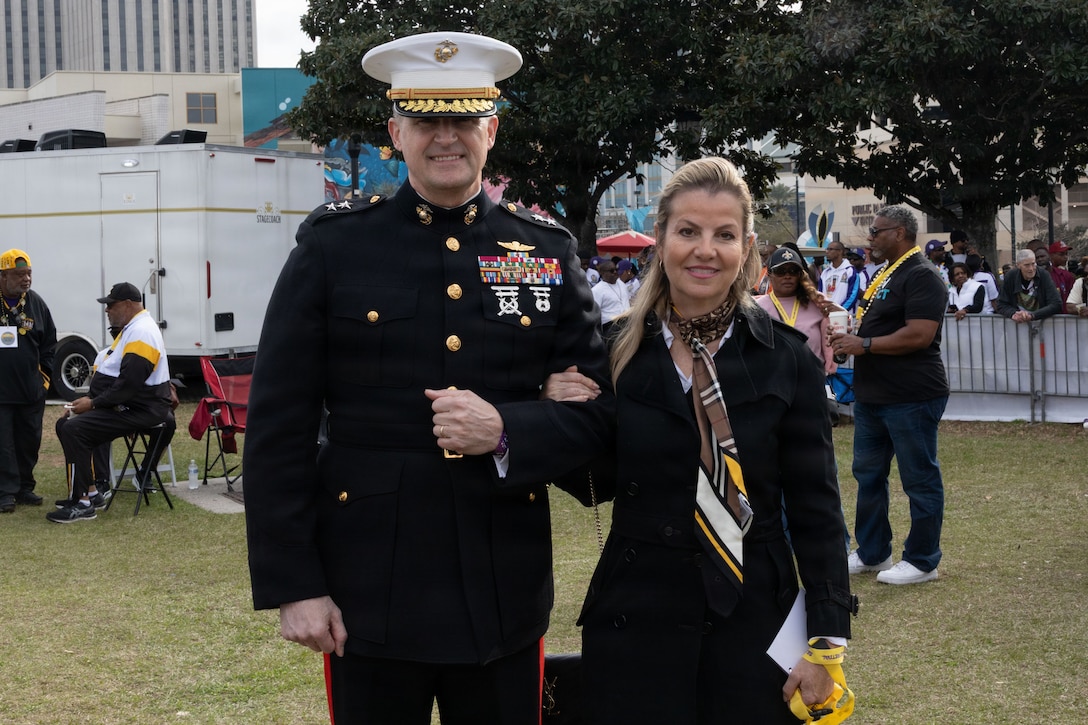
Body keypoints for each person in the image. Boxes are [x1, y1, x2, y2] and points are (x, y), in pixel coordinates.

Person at [241, 32, 613, 724]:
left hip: (502, 588)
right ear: (395, 132)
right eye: (426, 121)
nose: (447, 138)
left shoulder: (546, 251)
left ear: (491, 129)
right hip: (368, 592)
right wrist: (297, 585)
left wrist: (507, 428)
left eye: (465, 119)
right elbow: (278, 426)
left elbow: (595, 418)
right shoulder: (334, 246)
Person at [548, 157, 855, 724]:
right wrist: (559, 417)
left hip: (757, 613)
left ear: (747, 246)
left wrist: (828, 640)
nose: (704, 250)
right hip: (637, 611)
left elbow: (817, 509)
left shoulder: (786, 358)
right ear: (661, 238)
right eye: (688, 231)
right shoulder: (612, 350)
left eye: (724, 235)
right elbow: (596, 484)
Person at [832, 205, 949, 585]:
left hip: (911, 394)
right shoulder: (885, 273)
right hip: (873, 395)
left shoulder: (923, 275)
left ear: (899, 232)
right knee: (867, 475)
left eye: (877, 231)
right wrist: (854, 334)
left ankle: (922, 560)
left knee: (918, 478)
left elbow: (919, 335)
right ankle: (872, 552)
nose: (871, 238)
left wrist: (862, 343)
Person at [47, 282, 173, 523]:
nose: (107, 310)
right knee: (66, 425)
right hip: (131, 405)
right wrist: (88, 402)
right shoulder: (132, 328)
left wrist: (93, 404)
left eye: (110, 305)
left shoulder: (142, 331)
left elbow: (128, 384)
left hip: (142, 410)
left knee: (75, 428)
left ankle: (83, 504)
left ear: (127, 305)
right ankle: (90, 493)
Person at [0, 248, 56, 512]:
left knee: (28, 442)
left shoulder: (36, 303)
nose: (26, 280)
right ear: (3, 277)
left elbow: (49, 346)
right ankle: (5, 493)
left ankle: (24, 488)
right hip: (1, 393)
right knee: (4, 444)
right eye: (19, 274)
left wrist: (43, 381)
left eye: (29, 274)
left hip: (30, 391)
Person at [755, 246, 841, 374]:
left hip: (812, 381)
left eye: (793, 271)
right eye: (781, 271)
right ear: (769, 274)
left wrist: (839, 315)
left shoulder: (817, 303)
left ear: (800, 275)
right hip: (773, 382)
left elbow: (839, 337)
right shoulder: (757, 308)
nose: (787, 276)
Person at [996, 249, 1062, 323]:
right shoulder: (1010, 277)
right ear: (1018, 265)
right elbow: (1001, 304)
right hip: (1017, 325)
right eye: (1026, 265)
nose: (1031, 269)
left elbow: (1056, 304)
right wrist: (1013, 314)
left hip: (1042, 323)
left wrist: (1032, 316)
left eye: (1033, 264)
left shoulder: (1044, 275)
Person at [818, 240, 860, 312]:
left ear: (840, 251)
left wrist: (841, 309)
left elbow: (853, 295)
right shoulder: (825, 272)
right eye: (827, 249)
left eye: (830, 249)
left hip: (844, 315)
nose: (827, 252)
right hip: (827, 314)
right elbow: (820, 294)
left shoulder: (850, 271)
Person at [592, 258, 632, 323]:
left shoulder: (621, 284)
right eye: (611, 271)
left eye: (616, 269)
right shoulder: (596, 290)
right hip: (609, 326)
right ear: (602, 273)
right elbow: (594, 314)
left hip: (627, 322)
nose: (615, 272)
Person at [1044, 241, 1076, 314]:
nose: (1065, 257)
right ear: (1051, 255)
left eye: (1066, 254)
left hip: (1065, 320)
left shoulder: (1067, 275)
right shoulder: (1043, 273)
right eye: (1061, 254)